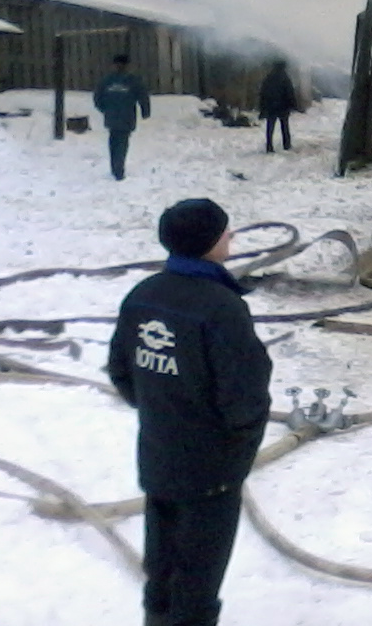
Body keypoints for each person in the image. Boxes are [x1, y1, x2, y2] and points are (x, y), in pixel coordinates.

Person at [107, 199, 273, 626]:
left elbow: (123, 372)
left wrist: (163, 407)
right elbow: (246, 396)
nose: (231, 235)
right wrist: (235, 457)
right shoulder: (221, 308)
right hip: (210, 473)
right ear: (207, 243)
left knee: (161, 571)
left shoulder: (143, 296)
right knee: (198, 581)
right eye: (224, 230)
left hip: (159, 458)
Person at [94, 54, 151, 181]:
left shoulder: (107, 80)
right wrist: (145, 111)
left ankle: (115, 168)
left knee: (113, 142)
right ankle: (119, 169)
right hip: (127, 117)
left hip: (112, 117)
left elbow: (97, 98)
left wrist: (105, 109)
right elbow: (143, 96)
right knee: (122, 143)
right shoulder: (133, 80)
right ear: (128, 66)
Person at [256, 60, 298, 153]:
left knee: (270, 127)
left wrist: (262, 107)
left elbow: (263, 92)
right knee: (285, 126)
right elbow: (289, 92)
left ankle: (269, 145)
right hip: (283, 106)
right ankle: (286, 145)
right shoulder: (285, 78)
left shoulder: (269, 77)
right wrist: (293, 105)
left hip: (271, 106)